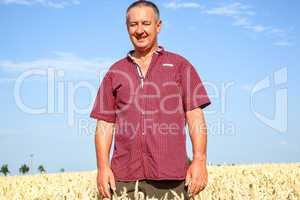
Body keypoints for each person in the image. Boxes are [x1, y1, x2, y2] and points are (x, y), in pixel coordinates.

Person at [90, 0, 211, 199]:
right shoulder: (115, 72)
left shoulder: (181, 66)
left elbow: (195, 116)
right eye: (133, 24)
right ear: (127, 28)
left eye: (146, 23)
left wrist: (199, 160)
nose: (139, 30)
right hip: (124, 179)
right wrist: (103, 167)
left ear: (158, 26)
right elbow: (104, 123)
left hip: (173, 179)